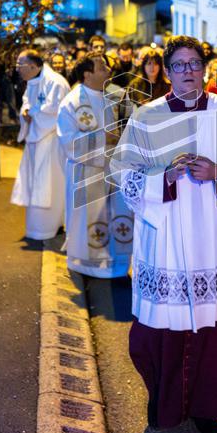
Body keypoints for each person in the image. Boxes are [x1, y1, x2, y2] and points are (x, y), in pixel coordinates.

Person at [109, 35, 217, 433]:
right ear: (166, 71)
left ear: (205, 68)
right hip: (166, 237)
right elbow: (123, 172)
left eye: (195, 64)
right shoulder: (146, 117)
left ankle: (208, 405)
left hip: (214, 238)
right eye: (179, 65)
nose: (188, 72)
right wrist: (164, 177)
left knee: (213, 324)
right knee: (164, 325)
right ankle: (162, 398)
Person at [57, 54, 132, 277]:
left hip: (115, 171)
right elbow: (69, 142)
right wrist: (105, 140)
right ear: (87, 75)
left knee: (117, 217)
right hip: (86, 173)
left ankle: (117, 264)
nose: (108, 69)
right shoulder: (72, 102)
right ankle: (85, 265)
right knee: (89, 220)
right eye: (101, 67)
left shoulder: (116, 95)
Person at [11, 50, 71, 241]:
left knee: (49, 186)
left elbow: (56, 113)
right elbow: (27, 103)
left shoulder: (56, 82)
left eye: (20, 64)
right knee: (37, 184)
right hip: (36, 139)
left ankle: (48, 227)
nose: (17, 68)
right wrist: (26, 112)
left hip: (51, 141)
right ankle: (39, 227)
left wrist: (32, 114)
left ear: (33, 66)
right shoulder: (33, 81)